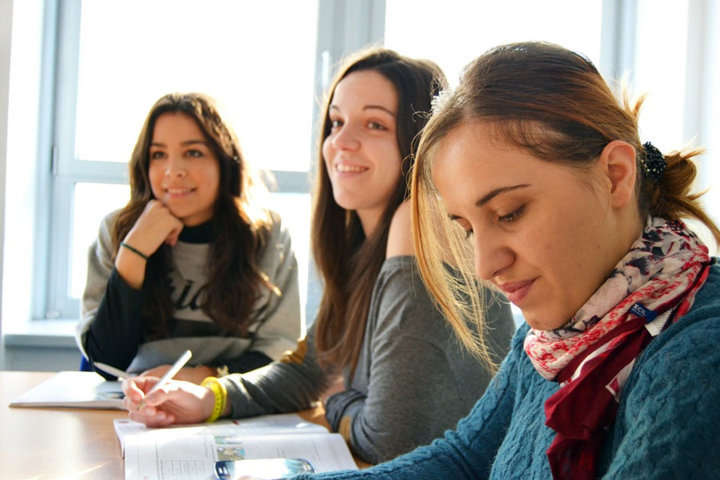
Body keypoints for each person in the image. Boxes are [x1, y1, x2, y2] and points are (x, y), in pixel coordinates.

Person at [290, 41, 720, 479]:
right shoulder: (554, 334)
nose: (485, 266)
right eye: (468, 229)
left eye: (510, 213)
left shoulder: (697, 359)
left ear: (615, 176)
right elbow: (462, 458)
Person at [122, 48, 515, 464]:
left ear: (420, 143)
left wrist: (337, 402)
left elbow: (389, 439)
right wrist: (209, 398)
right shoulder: (362, 248)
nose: (341, 142)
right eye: (337, 122)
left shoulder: (419, 221)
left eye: (375, 124)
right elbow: (310, 370)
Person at [76, 92, 301, 384]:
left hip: (235, 406)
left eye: (193, 152)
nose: (173, 171)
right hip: (133, 407)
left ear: (225, 161)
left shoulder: (268, 236)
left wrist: (202, 377)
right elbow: (105, 363)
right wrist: (133, 254)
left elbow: (281, 353)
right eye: (158, 155)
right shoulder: (117, 230)